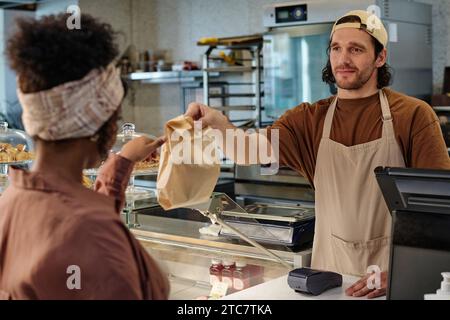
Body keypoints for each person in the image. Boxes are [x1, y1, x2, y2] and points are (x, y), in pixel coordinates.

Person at [185, 10, 450, 298]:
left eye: (356, 49)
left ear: (380, 57)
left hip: (391, 277)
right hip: (329, 278)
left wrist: (406, 271)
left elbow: (438, 208)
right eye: (336, 48)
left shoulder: (412, 115)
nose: (343, 58)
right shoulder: (310, 119)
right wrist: (218, 123)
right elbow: (249, 150)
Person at [0, 13, 169, 300]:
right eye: (114, 114)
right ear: (99, 122)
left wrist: (123, 161)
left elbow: (76, 210)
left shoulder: (10, 203)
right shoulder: (93, 235)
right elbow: (86, 230)